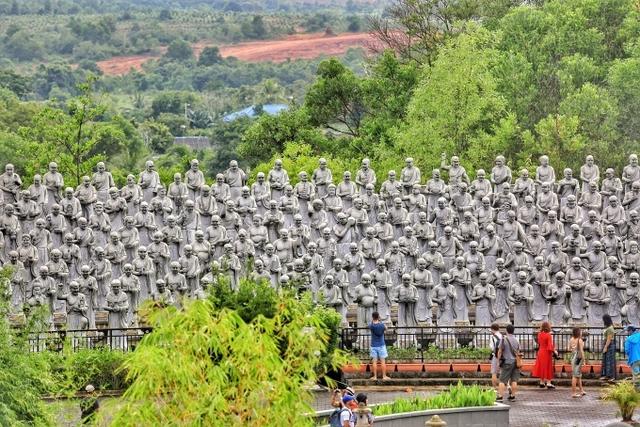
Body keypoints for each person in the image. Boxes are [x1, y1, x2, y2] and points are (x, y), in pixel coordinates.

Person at [497, 324, 521, 402]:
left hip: (507, 362)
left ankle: (500, 396)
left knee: (502, 380)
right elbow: (518, 351)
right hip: (515, 362)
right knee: (514, 380)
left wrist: (498, 360)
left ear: (506, 330)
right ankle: (513, 396)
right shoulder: (516, 339)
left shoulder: (504, 339)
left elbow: (500, 350)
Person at [532, 321, 558, 389]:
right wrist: (554, 351)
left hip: (541, 351)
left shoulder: (539, 334)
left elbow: (540, 343)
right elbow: (549, 346)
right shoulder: (548, 335)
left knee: (542, 367)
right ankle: (549, 383)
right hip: (546, 353)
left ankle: (542, 382)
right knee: (548, 367)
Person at [369, 311, 390, 380]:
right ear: (378, 317)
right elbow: (386, 328)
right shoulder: (381, 325)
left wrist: (373, 321)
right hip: (381, 345)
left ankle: (375, 377)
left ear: (372, 317)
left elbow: (369, 326)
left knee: (374, 362)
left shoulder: (371, 325)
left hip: (373, 345)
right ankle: (384, 376)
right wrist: (380, 321)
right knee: (383, 361)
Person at [569, 327, 586, 398]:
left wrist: (574, 349)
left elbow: (569, 348)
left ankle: (581, 390)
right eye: (580, 331)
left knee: (578, 374)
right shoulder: (580, 340)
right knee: (575, 375)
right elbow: (581, 351)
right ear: (578, 333)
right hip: (578, 357)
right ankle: (573, 393)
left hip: (573, 356)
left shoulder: (571, 339)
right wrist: (584, 359)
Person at [601, 314, 617, 382]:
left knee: (610, 361)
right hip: (606, 344)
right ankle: (606, 375)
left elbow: (609, 339)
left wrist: (605, 347)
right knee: (605, 360)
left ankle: (612, 376)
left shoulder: (610, 328)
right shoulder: (607, 327)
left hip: (609, 345)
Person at [489, 323, 503, 393]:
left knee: (494, 372)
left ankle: (494, 388)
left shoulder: (492, 337)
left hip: (495, 356)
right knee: (502, 372)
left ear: (492, 329)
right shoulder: (502, 336)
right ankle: (506, 386)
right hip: (502, 356)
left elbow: (491, 347)